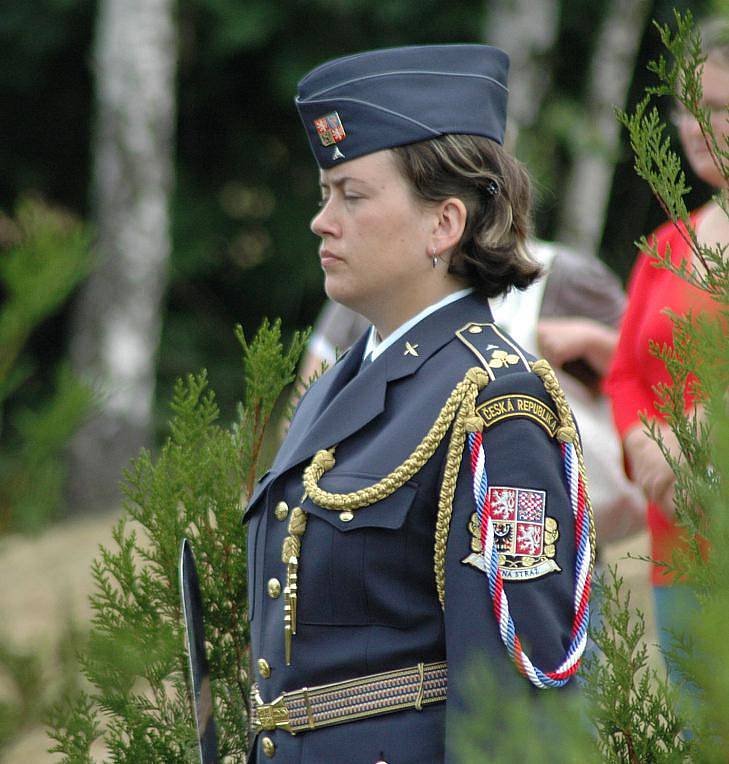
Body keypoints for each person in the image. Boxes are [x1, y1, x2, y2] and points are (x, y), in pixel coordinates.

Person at [244, 45, 593, 763]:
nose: (322, 220)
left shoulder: (495, 399)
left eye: (352, 194)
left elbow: (514, 698)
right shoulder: (344, 382)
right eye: (323, 194)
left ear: (444, 224)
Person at [604, 18, 728, 660]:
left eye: (718, 108)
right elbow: (623, 374)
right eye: (685, 107)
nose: (692, 126)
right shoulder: (665, 245)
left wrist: (704, 427)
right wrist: (647, 448)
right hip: (677, 542)